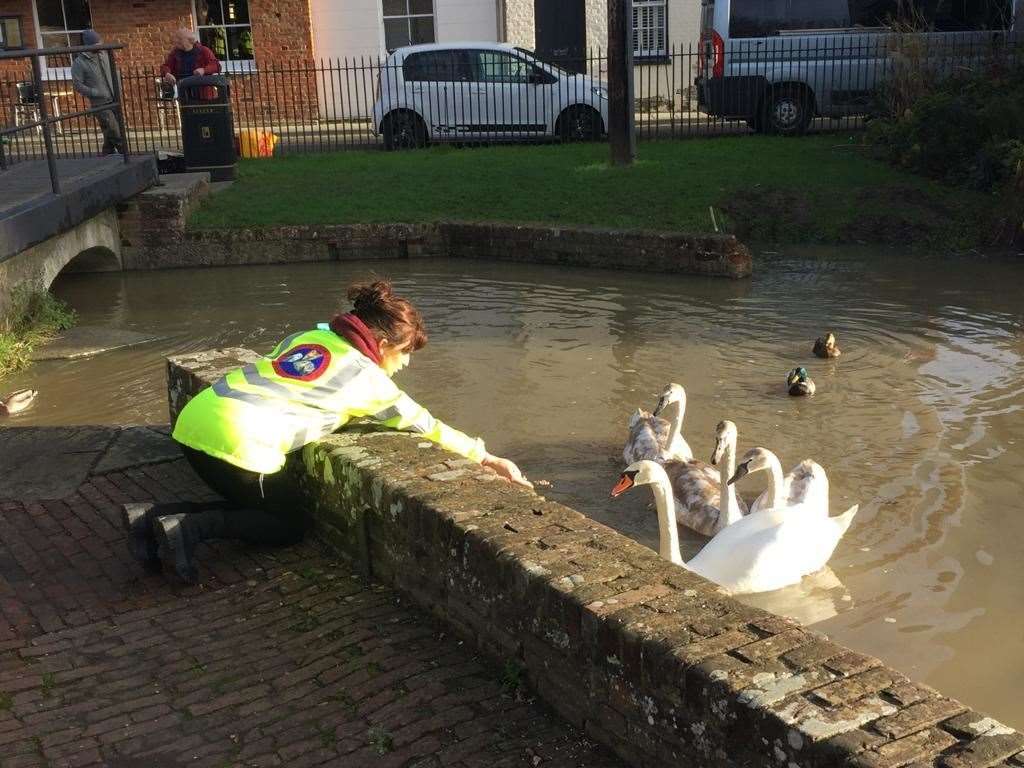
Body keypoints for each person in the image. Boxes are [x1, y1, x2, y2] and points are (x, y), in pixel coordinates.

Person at [123, 280, 532, 584]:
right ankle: (187, 531)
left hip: (194, 421)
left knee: (254, 505)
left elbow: (286, 382)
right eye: (405, 354)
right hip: (239, 443)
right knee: (287, 524)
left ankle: (152, 520)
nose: (405, 365)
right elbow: (426, 425)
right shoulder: (369, 382)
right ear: (384, 343)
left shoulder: (310, 336)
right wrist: (486, 457)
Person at [70, 29, 124, 155]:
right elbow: (77, 84)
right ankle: (125, 154)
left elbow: (114, 73)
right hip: (99, 103)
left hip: (113, 97)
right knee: (115, 131)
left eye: (100, 43)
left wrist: (118, 89)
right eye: (96, 45)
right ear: (89, 46)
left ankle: (107, 153)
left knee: (109, 132)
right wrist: (94, 92)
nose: (100, 46)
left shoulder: (104, 55)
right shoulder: (80, 62)